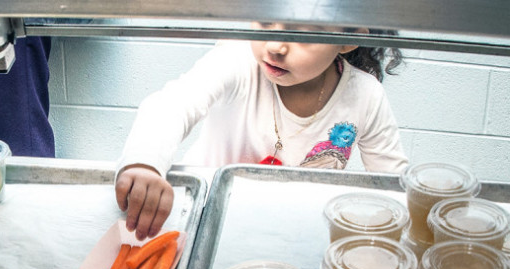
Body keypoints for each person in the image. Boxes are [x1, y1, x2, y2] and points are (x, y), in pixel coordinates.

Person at [115, 24, 407, 240]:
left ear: (348, 39)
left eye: (301, 35)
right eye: (266, 21)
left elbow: (394, 184)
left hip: (294, 232)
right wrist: (144, 163)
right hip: (208, 221)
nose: (275, 45)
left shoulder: (366, 95)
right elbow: (171, 105)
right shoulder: (237, 60)